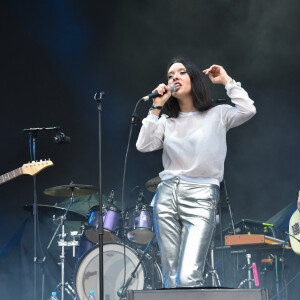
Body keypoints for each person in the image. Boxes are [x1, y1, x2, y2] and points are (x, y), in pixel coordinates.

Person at [136, 58, 256, 288]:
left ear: (194, 79)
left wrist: (227, 81)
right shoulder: (167, 121)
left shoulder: (218, 114)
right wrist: (156, 106)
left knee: (187, 276)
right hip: (167, 195)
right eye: (170, 75)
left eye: (181, 72)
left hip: (202, 196)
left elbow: (248, 109)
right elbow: (143, 145)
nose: (174, 78)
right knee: (171, 277)